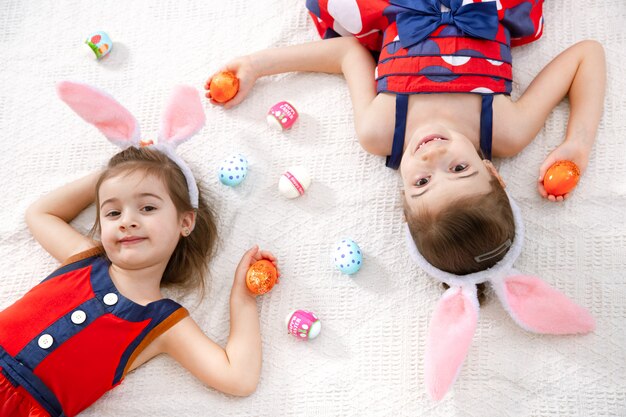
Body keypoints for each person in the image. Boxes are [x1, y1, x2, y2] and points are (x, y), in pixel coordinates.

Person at [205, 0, 605, 276]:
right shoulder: (505, 129)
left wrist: (259, 64)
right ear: (493, 173)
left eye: (422, 182)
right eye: (460, 168)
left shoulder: (380, 129)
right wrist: (577, 143)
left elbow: (347, 53)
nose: (433, 157)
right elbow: (587, 54)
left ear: (403, 200)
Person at [0, 82, 277, 417]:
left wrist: (242, 297)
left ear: (185, 222)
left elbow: (239, 377)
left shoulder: (162, 322)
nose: (127, 221)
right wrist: (114, 172)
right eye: (113, 212)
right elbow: (40, 214)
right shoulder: (85, 258)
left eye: (147, 208)